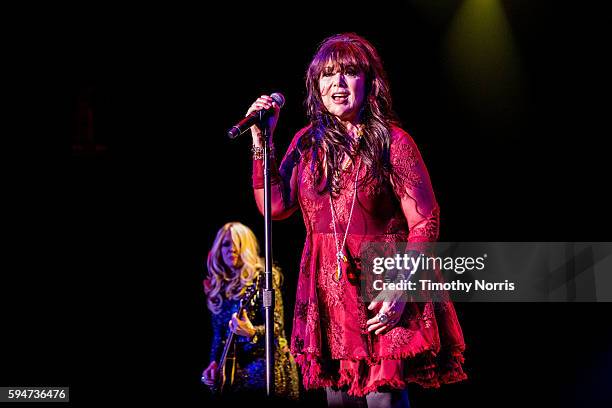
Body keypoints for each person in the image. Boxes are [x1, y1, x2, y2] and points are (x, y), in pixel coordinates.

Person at [247, 33, 467, 407]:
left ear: (369, 82)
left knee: (384, 398)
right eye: (328, 74)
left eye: (349, 73)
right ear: (316, 85)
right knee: (339, 399)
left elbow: (425, 222)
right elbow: (275, 206)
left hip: (383, 286)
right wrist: (261, 141)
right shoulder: (306, 143)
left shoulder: (393, 142)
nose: (338, 83)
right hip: (328, 291)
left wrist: (400, 289)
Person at [201, 222, 299, 400]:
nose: (231, 248)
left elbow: (277, 325)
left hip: (269, 369)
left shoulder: (263, 280)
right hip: (235, 375)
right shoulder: (219, 289)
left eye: (238, 243)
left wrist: (252, 332)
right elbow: (218, 336)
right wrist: (214, 364)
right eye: (226, 244)